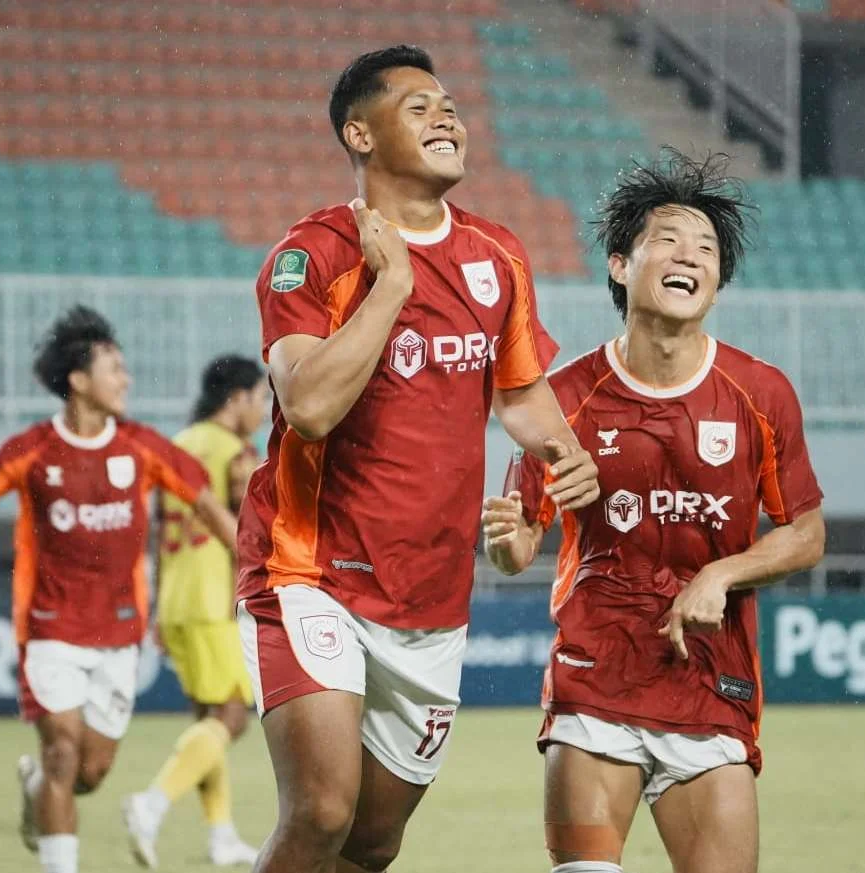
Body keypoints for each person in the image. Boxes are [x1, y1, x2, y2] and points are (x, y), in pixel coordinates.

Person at [236, 45, 601, 873]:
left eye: (450, 105)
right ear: (359, 135)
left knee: (372, 840)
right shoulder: (314, 255)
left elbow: (520, 394)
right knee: (321, 809)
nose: (447, 116)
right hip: (310, 570)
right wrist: (392, 285)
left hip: (431, 596)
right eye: (418, 106)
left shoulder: (497, 255)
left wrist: (565, 454)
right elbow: (310, 404)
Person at [481, 149, 827, 873]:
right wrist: (509, 541)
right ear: (620, 265)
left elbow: (806, 533)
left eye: (705, 248)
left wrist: (723, 574)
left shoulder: (761, 394)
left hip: (708, 683)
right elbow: (519, 544)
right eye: (667, 239)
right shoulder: (564, 397)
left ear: (717, 282)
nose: (688, 255)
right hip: (595, 676)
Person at [0, 305, 238, 873]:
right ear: (78, 381)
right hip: (49, 629)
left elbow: (212, 511)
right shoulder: (30, 452)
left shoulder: (142, 446)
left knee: (89, 773)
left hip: (118, 633)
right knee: (62, 752)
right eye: (114, 368)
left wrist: (261, 571)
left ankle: (37, 790)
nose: (127, 379)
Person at [123, 355, 270, 867]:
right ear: (236, 399)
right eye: (260, 398)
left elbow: (158, 527)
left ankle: (221, 834)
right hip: (214, 599)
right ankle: (151, 803)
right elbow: (246, 534)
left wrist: (157, 608)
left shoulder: (178, 445)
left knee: (208, 717)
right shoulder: (236, 452)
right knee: (232, 715)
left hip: (177, 598)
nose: (263, 410)